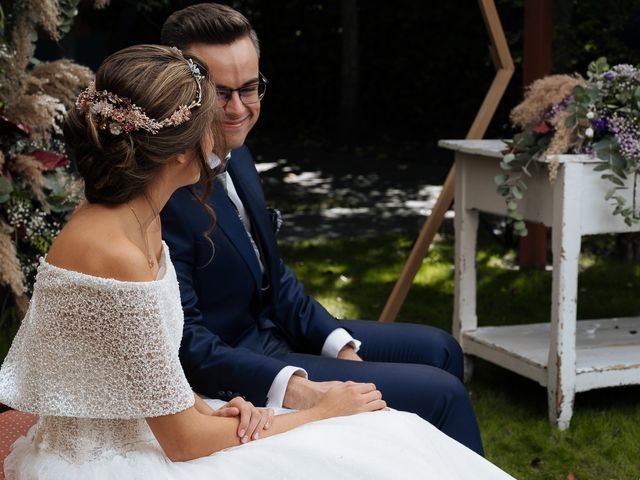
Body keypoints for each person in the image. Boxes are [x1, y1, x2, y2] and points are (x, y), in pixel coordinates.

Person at [0, 43, 515, 480]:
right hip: (115, 461)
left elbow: (143, 373)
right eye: (209, 121)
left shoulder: (140, 217)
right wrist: (317, 409)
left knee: (385, 434)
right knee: (364, 436)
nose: (225, 125)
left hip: (159, 426)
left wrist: (216, 407)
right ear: (181, 153)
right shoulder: (115, 250)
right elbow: (182, 443)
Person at [160, 3, 484, 454]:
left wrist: (338, 347)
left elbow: (274, 275)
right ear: (183, 93)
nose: (238, 108)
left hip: (277, 333)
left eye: (250, 89)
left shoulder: (241, 156)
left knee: (441, 349)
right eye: (221, 93)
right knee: (443, 394)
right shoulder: (166, 192)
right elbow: (185, 342)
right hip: (242, 367)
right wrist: (298, 388)